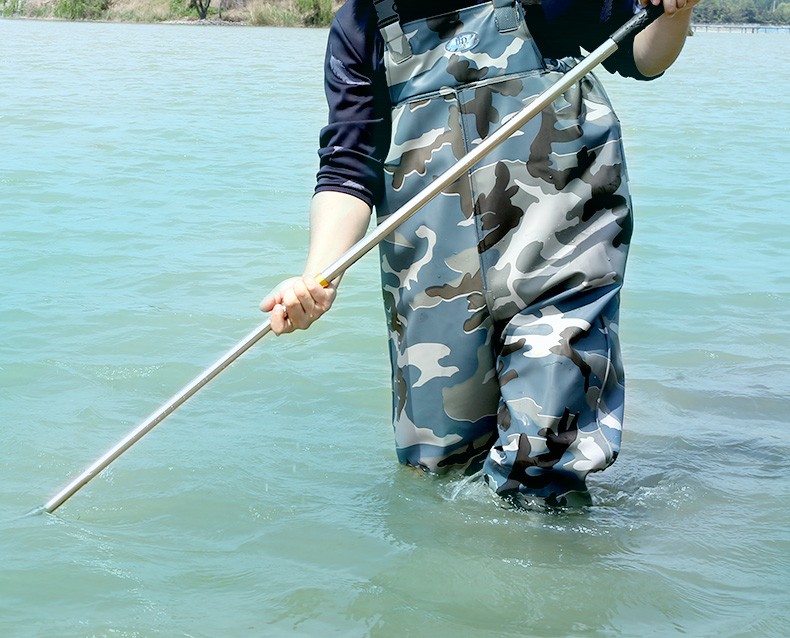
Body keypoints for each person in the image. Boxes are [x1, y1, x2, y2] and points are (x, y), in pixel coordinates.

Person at [260, 0, 699, 508]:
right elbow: (348, 164)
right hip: (434, 281)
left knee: (540, 456)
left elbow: (644, 57)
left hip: (559, 259)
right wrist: (318, 276)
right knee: (439, 478)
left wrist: (673, 13)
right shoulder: (360, 24)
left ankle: (544, 570)